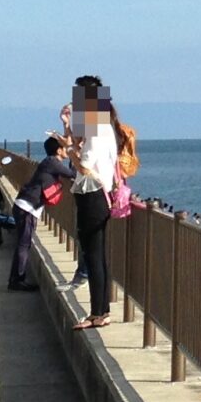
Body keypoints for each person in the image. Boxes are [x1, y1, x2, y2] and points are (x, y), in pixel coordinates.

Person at [67, 77, 126, 331]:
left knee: (92, 256)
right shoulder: (105, 125)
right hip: (102, 196)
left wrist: (69, 151)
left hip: (91, 196)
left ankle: (96, 314)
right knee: (98, 255)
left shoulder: (96, 127)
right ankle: (103, 312)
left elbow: (84, 166)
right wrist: (68, 126)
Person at [9, 134, 76, 292]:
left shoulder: (49, 162)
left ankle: (16, 279)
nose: (67, 150)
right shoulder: (53, 162)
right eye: (65, 148)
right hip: (27, 208)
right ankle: (17, 280)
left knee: (23, 244)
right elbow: (72, 174)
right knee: (24, 245)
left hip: (26, 207)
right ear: (59, 150)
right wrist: (76, 156)